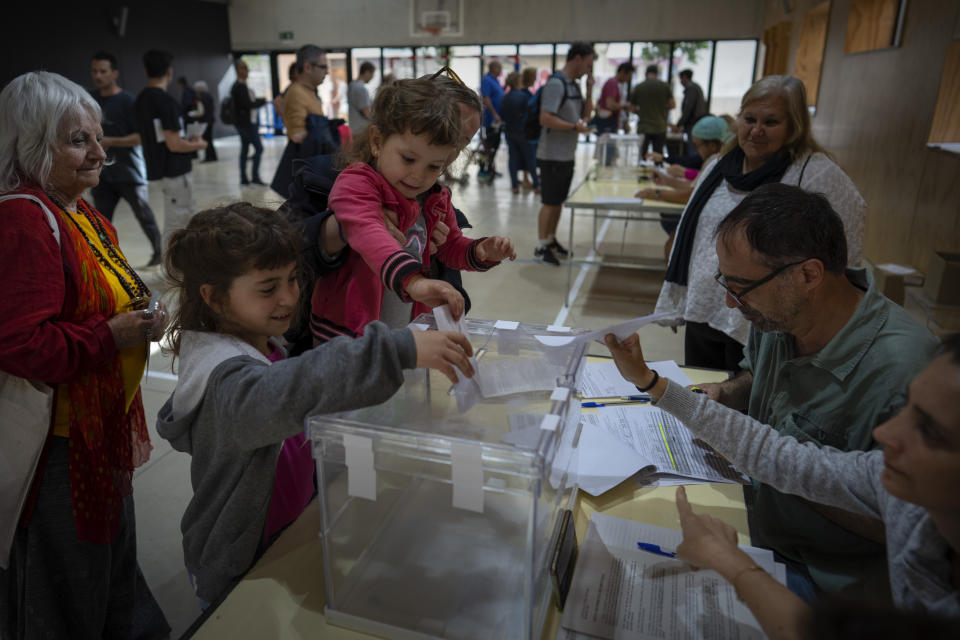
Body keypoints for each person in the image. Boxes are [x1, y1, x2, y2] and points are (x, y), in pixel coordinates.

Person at [156, 203, 478, 606]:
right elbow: (296, 387)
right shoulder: (228, 386)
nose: (290, 297)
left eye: (293, 279)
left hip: (289, 535)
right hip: (241, 571)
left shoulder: (262, 343)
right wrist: (397, 350)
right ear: (214, 298)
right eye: (268, 288)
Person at [651, 184, 935, 603]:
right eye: (724, 282)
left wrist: (779, 468)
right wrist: (728, 394)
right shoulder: (779, 315)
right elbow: (757, 376)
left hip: (830, 582)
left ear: (808, 275)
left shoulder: (907, 373)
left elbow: (908, 525)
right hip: (756, 525)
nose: (730, 303)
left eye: (741, 286)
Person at [603, 331, 960, 632]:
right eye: (908, 409)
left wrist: (729, 561)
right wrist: (652, 383)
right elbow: (774, 454)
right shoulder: (896, 484)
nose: (886, 432)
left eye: (928, 430)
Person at [0, 70, 170, 639]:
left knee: (107, 563)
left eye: (99, 137)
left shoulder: (78, 209)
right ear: (29, 147)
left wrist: (145, 319)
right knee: (66, 583)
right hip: (56, 445)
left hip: (96, 430)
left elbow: (112, 292)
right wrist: (111, 336)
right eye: (78, 141)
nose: (100, 152)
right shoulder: (25, 219)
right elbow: (22, 345)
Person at [656, 75, 866, 371]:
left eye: (770, 122)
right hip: (704, 308)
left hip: (766, 324)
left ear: (794, 126)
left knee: (747, 408)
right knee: (703, 399)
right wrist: (678, 299)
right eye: (749, 118)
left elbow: (846, 248)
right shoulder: (719, 166)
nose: (756, 131)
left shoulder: (815, 174)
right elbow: (695, 236)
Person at [310, 77, 516, 343]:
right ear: (377, 140)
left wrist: (480, 250)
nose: (418, 176)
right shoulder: (357, 184)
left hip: (401, 332)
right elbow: (369, 232)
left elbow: (450, 247)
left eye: (433, 167)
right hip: (346, 337)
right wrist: (413, 281)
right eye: (408, 159)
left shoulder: (435, 198)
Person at [89, 50, 163, 267]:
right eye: (94, 71)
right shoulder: (89, 100)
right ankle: (103, 259)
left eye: (103, 71)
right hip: (101, 173)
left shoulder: (129, 101)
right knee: (99, 223)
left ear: (115, 73)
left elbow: (141, 137)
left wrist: (110, 141)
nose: (98, 76)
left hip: (129, 171)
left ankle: (159, 252)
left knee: (144, 216)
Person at [134, 49, 207, 247]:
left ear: (146, 70)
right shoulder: (165, 101)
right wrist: (198, 144)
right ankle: (173, 272)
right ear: (169, 72)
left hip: (159, 169)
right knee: (179, 224)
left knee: (177, 222)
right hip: (175, 171)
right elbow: (174, 143)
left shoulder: (141, 99)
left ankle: (177, 269)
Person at [534, 42, 596, 266]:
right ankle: (541, 246)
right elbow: (545, 118)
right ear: (577, 59)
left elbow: (586, 116)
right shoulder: (556, 84)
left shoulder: (574, 85)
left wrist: (589, 89)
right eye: (588, 64)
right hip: (551, 154)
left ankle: (550, 240)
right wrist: (573, 128)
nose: (588, 70)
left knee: (558, 202)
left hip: (566, 154)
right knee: (549, 202)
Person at [271, 44, 328, 196]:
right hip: (304, 171)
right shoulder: (296, 92)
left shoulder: (309, 91)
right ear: (308, 67)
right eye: (323, 67)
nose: (327, 72)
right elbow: (297, 135)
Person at [499, 71, 539, 194]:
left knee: (513, 159)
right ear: (518, 81)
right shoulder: (524, 97)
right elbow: (531, 113)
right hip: (523, 132)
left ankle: (514, 186)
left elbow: (502, 115)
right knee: (530, 159)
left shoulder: (504, 98)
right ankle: (537, 185)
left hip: (510, 132)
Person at [230, 59, 267, 185]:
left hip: (247, 123)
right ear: (237, 70)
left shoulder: (243, 85)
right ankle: (254, 177)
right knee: (259, 148)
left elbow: (248, 102)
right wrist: (261, 102)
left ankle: (244, 178)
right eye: (242, 68)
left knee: (245, 149)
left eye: (246, 67)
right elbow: (246, 104)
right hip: (246, 124)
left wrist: (257, 101)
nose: (245, 70)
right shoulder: (238, 86)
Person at [629, 64, 675, 156]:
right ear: (657, 74)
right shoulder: (665, 86)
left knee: (642, 156)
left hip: (644, 127)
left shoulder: (639, 87)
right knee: (658, 156)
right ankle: (657, 169)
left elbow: (632, 108)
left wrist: (642, 112)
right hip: (660, 126)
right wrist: (662, 110)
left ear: (646, 74)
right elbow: (672, 105)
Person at [478, 60, 504, 182]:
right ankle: (482, 169)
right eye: (499, 68)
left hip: (497, 121)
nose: (501, 70)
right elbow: (486, 98)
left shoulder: (496, 81)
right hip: (490, 121)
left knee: (495, 146)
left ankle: (491, 169)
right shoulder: (487, 80)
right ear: (493, 68)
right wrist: (494, 113)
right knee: (487, 146)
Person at [594, 62, 636, 135]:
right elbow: (610, 105)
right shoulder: (612, 83)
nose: (628, 79)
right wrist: (625, 106)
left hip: (609, 122)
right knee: (609, 145)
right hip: (607, 123)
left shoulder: (614, 83)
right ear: (623, 72)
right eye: (629, 76)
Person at [677, 69, 708, 154]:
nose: (680, 82)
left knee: (693, 149)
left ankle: (693, 167)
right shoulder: (696, 87)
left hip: (693, 123)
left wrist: (679, 123)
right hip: (696, 122)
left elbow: (688, 108)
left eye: (681, 79)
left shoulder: (691, 88)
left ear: (685, 77)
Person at [191, 80, 217, 162]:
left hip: (204, 121)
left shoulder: (201, 98)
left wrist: (193, 115)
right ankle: (213, 156)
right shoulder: (209, 96)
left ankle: (209, 157)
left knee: (206, 140)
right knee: (210, 139)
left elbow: (200, 112)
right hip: (210, 120)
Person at [347, 61, 375, 135]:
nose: (372, 78)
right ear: (367, 72)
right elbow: (366, 112)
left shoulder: (352, 85)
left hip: (354, 128)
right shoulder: (360, 88)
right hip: (361, 130)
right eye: (372, 74)